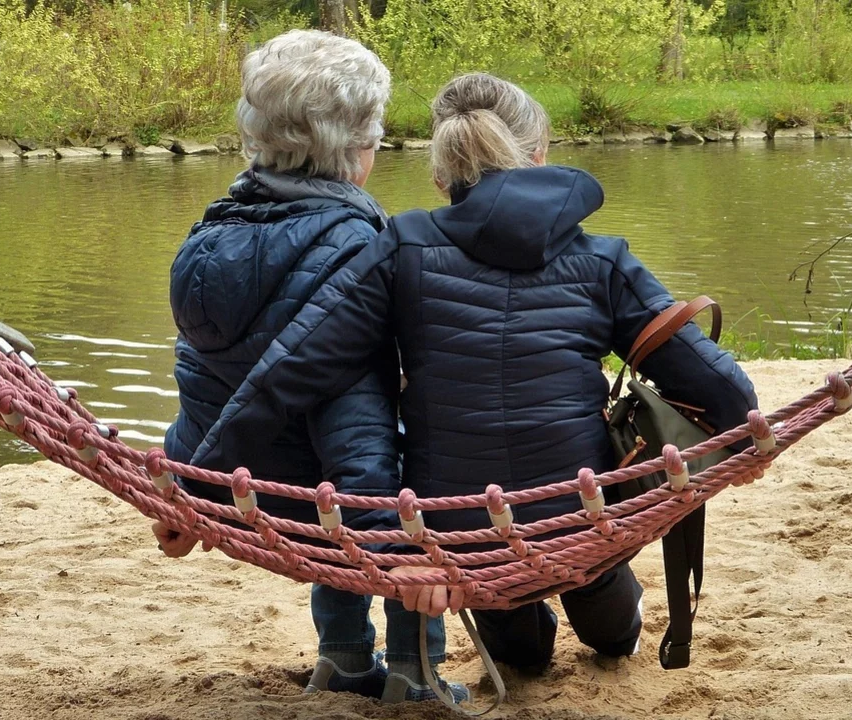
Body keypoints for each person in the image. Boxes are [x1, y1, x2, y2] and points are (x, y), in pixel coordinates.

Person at [187, 72, 758, 674]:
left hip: (461, 536)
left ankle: (529, 626)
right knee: (604, 604)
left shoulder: (402, 246)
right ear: (538, 156)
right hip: (580, 513)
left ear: (441, 175)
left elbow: (293, 370)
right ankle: (606, 615)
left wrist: (197, 486)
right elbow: (716, 383)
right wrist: (747, 438)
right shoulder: (603, 259)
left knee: (521, 654)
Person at [153, 29, 465, 704]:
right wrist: (393, 550)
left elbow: (204, 379)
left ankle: (344, 657)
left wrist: (186, 483)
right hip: (324, 497)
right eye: (375, 133)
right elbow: (359, 423)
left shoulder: (209, 235)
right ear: (356, 148)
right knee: (424, 461)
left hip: (238, 484)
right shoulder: (361, 248)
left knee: (331, 470)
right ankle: (416, 673)